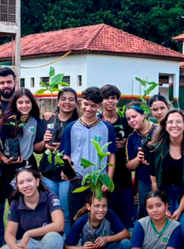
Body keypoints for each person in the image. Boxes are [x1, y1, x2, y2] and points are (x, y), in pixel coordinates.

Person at [148, 109, 184, 249]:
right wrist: (161, 205)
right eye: (170, 122)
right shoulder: (155, 148)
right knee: (163, 226)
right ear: (165, 126)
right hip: (163, 193)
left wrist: (179, 209)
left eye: (178, 121)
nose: (174, 125)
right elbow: (154, 181)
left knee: (182, 229)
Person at [60, 87, 117, 222]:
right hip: (78, 180)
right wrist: (66, 170)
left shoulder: (107, 128)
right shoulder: (71, 128)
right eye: (86, 104)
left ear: (99, 106)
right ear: (81, 102)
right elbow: (67, 154)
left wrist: (109, 179)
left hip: (99, 181)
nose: (89, 109)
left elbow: (111, 155)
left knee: (99, 217)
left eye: (93, 106)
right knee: (77, 218)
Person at [0, 89, 41, 249]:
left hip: (28, 165)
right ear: (15, 104)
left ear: (32, 103)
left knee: (29, 202)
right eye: (20, 102)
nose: (24, 105)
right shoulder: (8, 121)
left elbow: (38, 142)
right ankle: (6, 242)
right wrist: (3, 158)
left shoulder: (36, 120)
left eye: (27, 102)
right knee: (12, 203)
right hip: (10, 168)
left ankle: (27, 241)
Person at [34, 87, 79, 237]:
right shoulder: (47, 121)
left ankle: (67, 245)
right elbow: (37, 148)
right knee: (50, 212)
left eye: (71, 99)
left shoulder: (78, 123)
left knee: (65, 213)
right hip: (48, 174)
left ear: (76, 103)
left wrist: (64, 147)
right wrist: (44, 143)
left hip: (67, 175)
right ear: (58, 102)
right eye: (63, 99)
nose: (67, 102)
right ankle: (52, 242)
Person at [64, 190, 131, 249]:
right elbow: (66, 248)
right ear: (88, 207)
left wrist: (107, 239)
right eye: (97, 206)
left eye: (104, 206)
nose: (101, 210)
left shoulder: (109, 215)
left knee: (126, 244)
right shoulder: (81, 221)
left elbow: (126, 233)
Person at [100, 84, 135, 229]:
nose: (110, 101)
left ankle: (125, 236)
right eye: (106, 98)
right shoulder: (97, 121)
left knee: (125, 210)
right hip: (103, 172)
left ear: (118, 100)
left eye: (113, 98)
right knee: (106, 209)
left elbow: (135, 138)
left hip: (123, 171)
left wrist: (126, 143)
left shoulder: (126, 122)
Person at [125, 104, 157, 220]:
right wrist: (138, 158)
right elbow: (129, 166)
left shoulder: (159, 130)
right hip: (144, 182)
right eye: (128, 119)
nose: (131, 120)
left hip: (162, 180)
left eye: (134, 116)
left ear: (144, 115)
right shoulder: (132, 138)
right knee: (145, 213)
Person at [0, 67, 18, 199]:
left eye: (9, 82)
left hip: (18, 159)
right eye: (2, 83)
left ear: (15, 83)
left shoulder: (22, 103)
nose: (6, 85)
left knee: (17, 198)